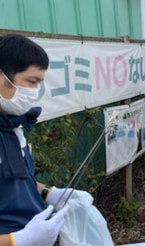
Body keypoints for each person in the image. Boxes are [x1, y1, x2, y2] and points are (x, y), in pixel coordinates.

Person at [0, 34, 89, 246]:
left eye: (39, 83)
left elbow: (17, 182)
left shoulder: (13, 128)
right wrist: (14, 241)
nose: (34, 91)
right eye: (31, 82)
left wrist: (50, 193)